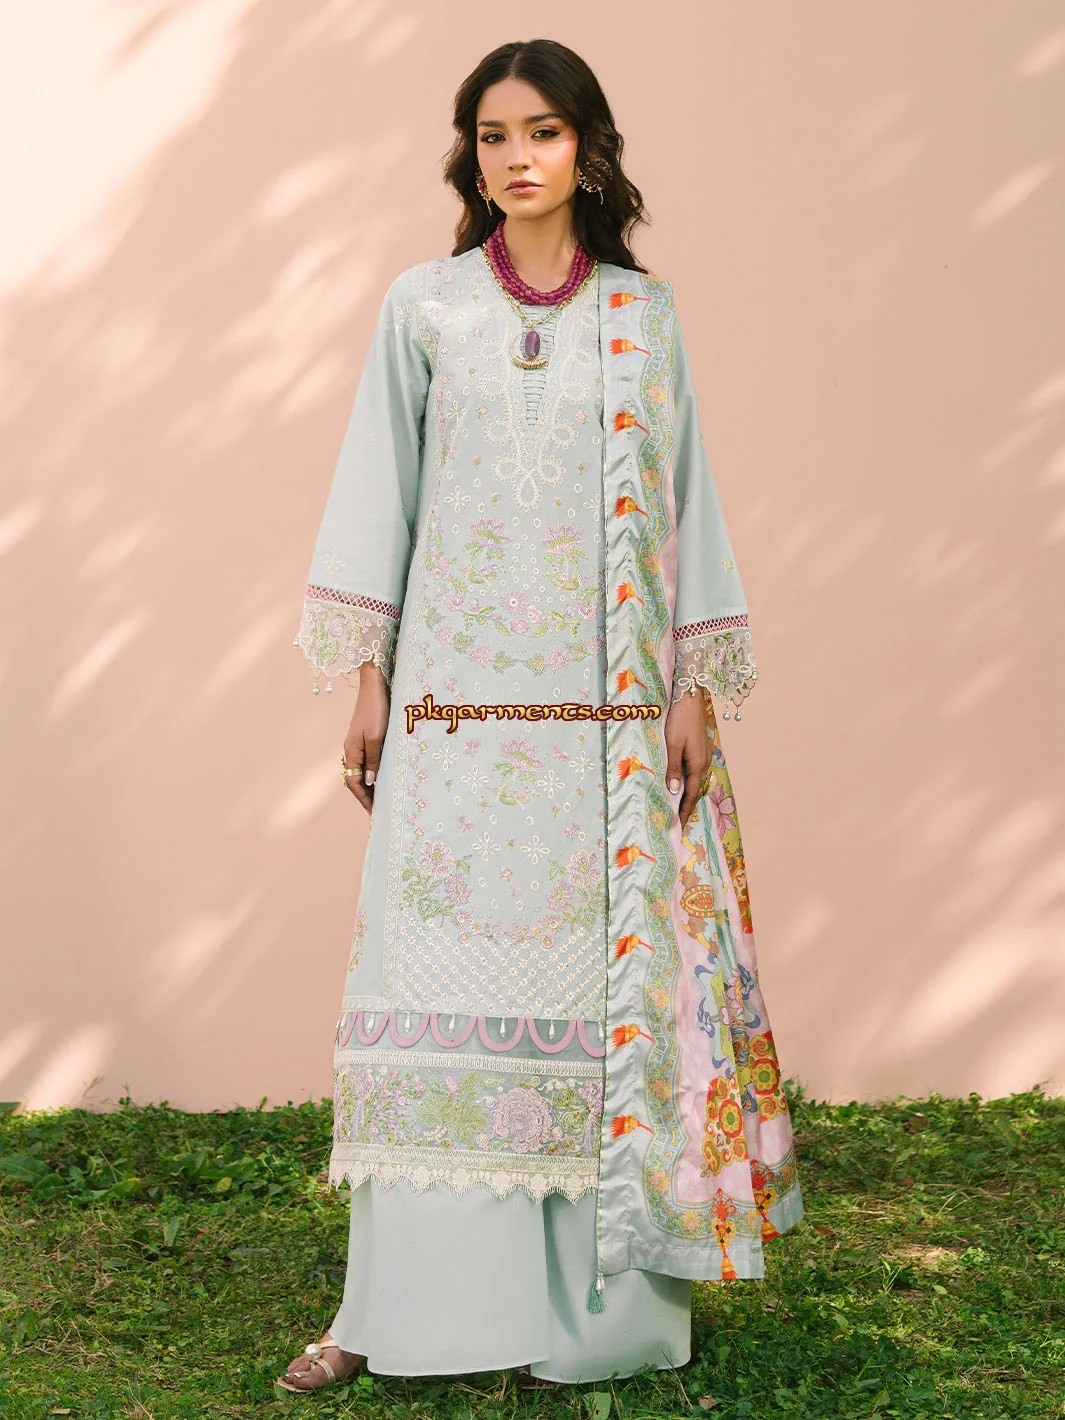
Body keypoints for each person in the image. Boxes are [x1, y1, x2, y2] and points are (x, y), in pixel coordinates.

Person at [278, 37, 804, 1396]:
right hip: (455, 715)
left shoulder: (641, 316)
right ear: (470, 155)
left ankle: (592, 1318)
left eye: (545, 131)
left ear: (588, 147)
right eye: (494, 134)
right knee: (426, 985)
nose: (518, 157)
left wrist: (694, 688)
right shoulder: (426, 307)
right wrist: (371, 677)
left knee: (594, 1000)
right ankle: (389, 1309)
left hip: (604, 732)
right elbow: (378, 490)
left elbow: (688, 505)